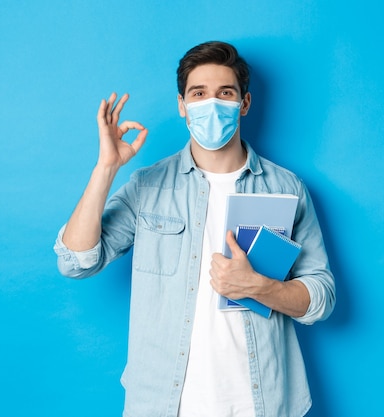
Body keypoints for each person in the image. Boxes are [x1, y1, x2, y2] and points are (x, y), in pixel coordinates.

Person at [54, 41, 335, 417]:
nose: (212, 103)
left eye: (226, 93)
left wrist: (260, 287)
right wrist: (106, 168)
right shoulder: (148, 186)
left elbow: (321, 297)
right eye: (198, 94)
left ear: (244, 104)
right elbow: (76, 261)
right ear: (182, 106)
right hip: (162, 403)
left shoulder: (287, 189)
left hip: (262, 400)